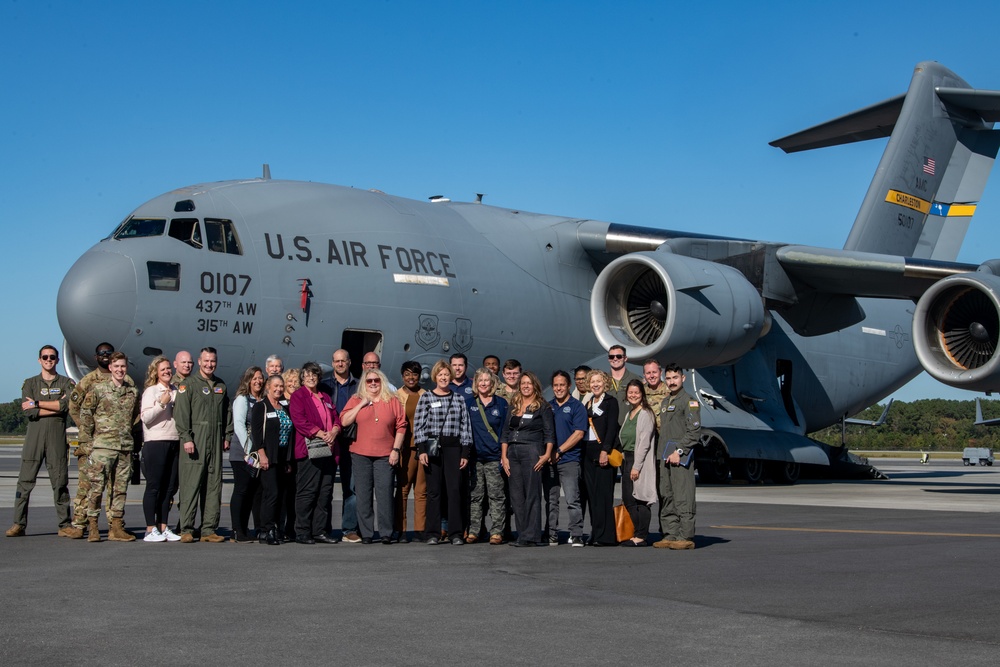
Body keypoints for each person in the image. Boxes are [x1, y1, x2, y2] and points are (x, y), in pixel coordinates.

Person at [7, 345, 75, 538]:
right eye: (45, 357)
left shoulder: (66, 382)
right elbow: (28, 411)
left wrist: (37, 403)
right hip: (34, 438)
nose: (48, 360)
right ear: (39, 360)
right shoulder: (30, 383)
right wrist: (53, 406)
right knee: (25, 482)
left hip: (56, 438)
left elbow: (66, 405)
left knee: (60, 481)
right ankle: (18, 523)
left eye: (52, 357)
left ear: (57, 360)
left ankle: (64, 524)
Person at [77, 352, 140, 542]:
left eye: (123, 366)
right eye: (116, 366)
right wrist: (86, 443)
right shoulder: (98, 389)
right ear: (110, 368)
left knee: (120, 489)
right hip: (103, 447)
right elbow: (86, 415)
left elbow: (135, 416)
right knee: (97, 488)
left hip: (124, 447)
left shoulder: (132, 392)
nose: (120, 370)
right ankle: (94, 525)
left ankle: (116, 527)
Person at [173, 347, 233, 543]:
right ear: (199, 361)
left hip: (215, 440)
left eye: (213, 361)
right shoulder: (188, 385)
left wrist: (227, 435)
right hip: (195, 440)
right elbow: (181, 414)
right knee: (191, 485)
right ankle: (186, 528)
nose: (209, 365)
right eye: (206, 361)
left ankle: (208, 529)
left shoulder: (221, 385)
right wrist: (186, 437)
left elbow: (227, 413)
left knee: (213, 485)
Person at [341, 368, 407, 544]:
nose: (372, 384)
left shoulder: (392, 400)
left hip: (385, 455)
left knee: (384, 493)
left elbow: (401, 426)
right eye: (369, 381)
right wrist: (362, 403)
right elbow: (344, 420)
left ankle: (386, 531)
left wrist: (396, 449)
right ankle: (367, 533)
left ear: (381, 381)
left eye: (376, 380)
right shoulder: (355, 399)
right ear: (364, 382)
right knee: (363, 494)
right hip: (360, 454)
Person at [67, 342, 124, 537]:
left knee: (114, 486)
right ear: (96, 356)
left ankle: (113, 525)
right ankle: (80, 524)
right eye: (102, 353)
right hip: (92, 443)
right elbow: (74, 407)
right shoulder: (88, 381)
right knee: (87, 484)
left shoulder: (125, 381)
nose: (105, 355)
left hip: (115, 443)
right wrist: (86, 431)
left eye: (109, 352)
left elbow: (134, 408)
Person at [415, 360, 472, 545]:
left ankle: (455, 532)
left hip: (453, 448)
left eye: (446, 375)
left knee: (454, 490)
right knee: (434, 491)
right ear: (435, 377)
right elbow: (419, 425)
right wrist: (421, 449)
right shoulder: (426, 398)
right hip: (432, 448)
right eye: (440, 375)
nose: (444, 378)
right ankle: (432, 532)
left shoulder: (458, 399)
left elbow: (465, 426)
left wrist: (465, 452)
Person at [288, 362, 341, 544]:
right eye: (307, 375)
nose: (311, 378)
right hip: (310, 450)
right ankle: (302, 531)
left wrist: (334, 430)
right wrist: (320, 433)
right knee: (307, 492)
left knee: (324, 493)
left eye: (314, 375)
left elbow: (336, 417)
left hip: (329, 450)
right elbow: (300, 421)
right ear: (302, 377)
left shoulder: (325, 396)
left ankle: (320, 530)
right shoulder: (298, 396)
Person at [500, 371, 555, 547]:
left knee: (532, 494)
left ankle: (532, 536)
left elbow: (549, 433)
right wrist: (504, 456)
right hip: (513, 453)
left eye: (529, 383)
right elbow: (505, 433)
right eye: (523, 383)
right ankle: (522, 534)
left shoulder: (543, 407)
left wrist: (547, 454)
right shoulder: (514, 405)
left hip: (532, 450)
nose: (525, 386)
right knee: (516, 495)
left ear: (535, 386)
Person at [653, 364, 701, 550]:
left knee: (683, 495)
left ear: (683, 378)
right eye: (669, 378)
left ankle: (685, 535)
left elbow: (694, 431)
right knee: (667, 495)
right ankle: (670, 533)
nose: (672, 382)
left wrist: (679, 451)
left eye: (675, 378)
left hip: (680, 457)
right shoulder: (665, 402)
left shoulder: (689, 402)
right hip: (664, 457)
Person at [139, 356, 182, 542]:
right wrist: (162, 403)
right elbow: (146, 418)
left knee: (169, 487)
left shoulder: (176, 390)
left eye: (168, 369)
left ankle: (163, 527)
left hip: (174, 441)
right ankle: (150, 529)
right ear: (155, 372)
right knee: (154, 487)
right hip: (155, 442)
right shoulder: (151, 391)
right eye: (162, 369)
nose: (166, 372)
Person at [250, 374, 294, 545]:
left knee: (280, 494)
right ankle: (266, 530)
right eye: (275, 386)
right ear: (268, 386)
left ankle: (274, 528)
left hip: (282, 457)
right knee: (271, 493)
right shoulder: (261, 407)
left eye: (281, 386)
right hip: (268, 456)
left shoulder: (284, 407)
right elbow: (256, 432)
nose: (278, 389)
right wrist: (262, 454)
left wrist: (288, 460)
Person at [545, 370, 587, 546]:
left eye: (562, 385)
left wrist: (559, 451)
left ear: (569, 386)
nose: (559, 388)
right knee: (551, 500)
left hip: (569, 460)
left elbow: (578, 434)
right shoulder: (548, 406)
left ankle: (576, 533)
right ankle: (552, 533)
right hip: (549, 461)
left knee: (572, 500)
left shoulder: (577, 406)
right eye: (556, 385)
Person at [467, 367, 508, 545]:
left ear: (492, 383)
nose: (483, 383)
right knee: (476, 497)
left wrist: (504, 455)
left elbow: (506, 431)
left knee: (496, 496)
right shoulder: (469, 403)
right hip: (475, 458)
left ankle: (497, 531)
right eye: (480, 381)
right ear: (475, 383)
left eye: (486, 380)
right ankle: (475, 530)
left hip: (494, 457)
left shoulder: (501, 403)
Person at [326, 349, 360, 543]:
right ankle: (324, 528)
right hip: (329, 441)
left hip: (351, 441)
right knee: (325, 487)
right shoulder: (324, 385)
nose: (340, 364)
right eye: (336, 361)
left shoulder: (358, 386)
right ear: (332, 363)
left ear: (349, 363)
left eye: (343, 361)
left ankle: (349, 529)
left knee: (351, 487)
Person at [583, 369, 619, 546]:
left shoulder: (611, 402)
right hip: (588, 453)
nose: (595, 384)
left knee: (604, 495)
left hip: (603, 451)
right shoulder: (588, 403)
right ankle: (596, 533)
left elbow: (612, 428)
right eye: (592, 382)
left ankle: (606, 536)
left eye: (598, 381)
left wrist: (605, 450)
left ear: (605, 383)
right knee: (592, 496)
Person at [229, 367, 265, 543]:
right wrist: (250, 450)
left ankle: (245, 527)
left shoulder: (262, 400)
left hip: (257, 454)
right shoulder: (242, 400)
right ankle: (237, 529)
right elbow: (239, 426)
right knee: (241, 490)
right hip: (243, 453)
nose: (258, 381)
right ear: (248, 381)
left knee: (252, 492)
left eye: (260, 378)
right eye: (254, 378)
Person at [619, 380, 657, 546]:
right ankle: (635, 532)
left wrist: (636, 466)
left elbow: (644, 443)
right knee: (628, 498)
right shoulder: (630, 414)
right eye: (630, 392)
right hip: (627, 458)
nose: (633, 395)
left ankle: (641, 536)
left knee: (641, 498)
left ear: (642, 394)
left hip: (638, 460)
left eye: (636, 392)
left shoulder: (646, 414)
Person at [394, 361, 426, 542]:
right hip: (403, 449)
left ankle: (420, 529)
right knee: (403, 490)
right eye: (407, 374)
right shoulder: (395, 396)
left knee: (421, 490)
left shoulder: (426, 395)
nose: (411, 378)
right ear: (402, 376)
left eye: (414, 374)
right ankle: (401, 529)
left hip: (422, 448)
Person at [280, 367, 302, 541]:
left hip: (297, 453)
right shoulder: (279, 403)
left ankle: (291, 527)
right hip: (282, 453)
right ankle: (279, 526)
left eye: (296, 381)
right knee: (281, 492)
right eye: (289, 381)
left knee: (294, 494)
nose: (293, 384)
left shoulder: (300, 401)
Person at [608, 345, 642, 425]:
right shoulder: (603, 380)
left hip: (630, 427)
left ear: (625, 358)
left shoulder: (636, 379)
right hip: (608, 429)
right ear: (608, 359)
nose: (615, 359)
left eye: (619, 356)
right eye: (611, 356)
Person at [642, 359, 670, 429]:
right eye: (648, 373)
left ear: (660, 372)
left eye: (654, 372)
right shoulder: (640, 393)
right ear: (644, 375)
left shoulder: (670, 392)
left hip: (667, 436)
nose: (651, 376)